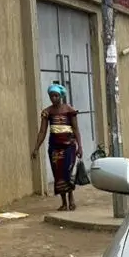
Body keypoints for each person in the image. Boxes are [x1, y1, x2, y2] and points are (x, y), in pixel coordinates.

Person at [31, 83, 82, 211]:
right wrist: (36, 148)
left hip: (69, 147)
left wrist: (79, 146)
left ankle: (71, 198)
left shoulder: (69, 111)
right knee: (58, 174)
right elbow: (42, 131)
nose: (54, 98)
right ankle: (64, 202)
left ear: (61, 96)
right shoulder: (47, 112)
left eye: (56, 95)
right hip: (54, 148)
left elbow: (75, 129)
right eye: (51, 96)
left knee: (67, 172)